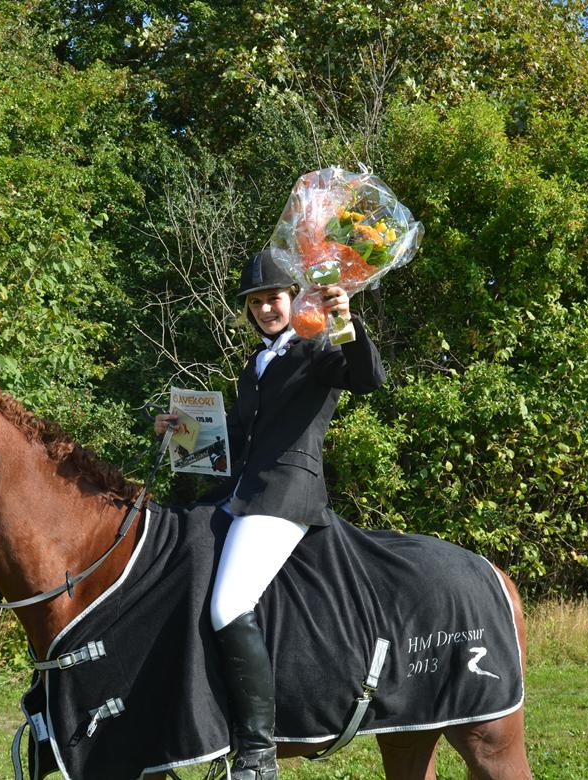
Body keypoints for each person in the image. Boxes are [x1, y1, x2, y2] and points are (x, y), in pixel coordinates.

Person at [154, 247, 385, 779]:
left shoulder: (316, 348)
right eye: (255, 302)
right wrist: (178, 431)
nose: (264, 309)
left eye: (273, 298)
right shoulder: (253, 366)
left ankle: (257, 755)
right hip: (240, 492)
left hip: (286, 495)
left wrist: (345, 319)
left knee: (228, 605)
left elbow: (366, 377)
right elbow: (229, 445)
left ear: (294, 298)